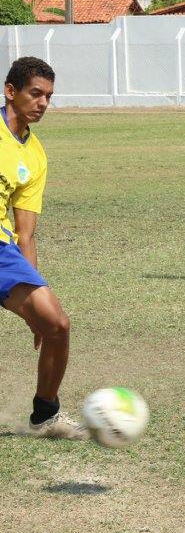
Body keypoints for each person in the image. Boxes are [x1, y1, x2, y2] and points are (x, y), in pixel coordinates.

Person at [1, 57, 86, 440]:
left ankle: (45, 415)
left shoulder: (35, 155)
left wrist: (35, 290)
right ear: (10, 91)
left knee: (56, 325)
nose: (43, 104)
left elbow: (26, 233)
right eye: (36, 94)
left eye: (49, 97)